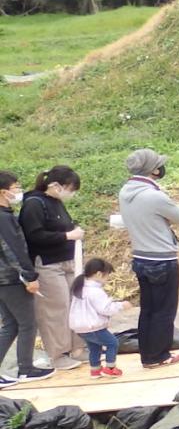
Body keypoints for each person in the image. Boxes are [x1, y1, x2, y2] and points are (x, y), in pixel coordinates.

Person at [119, 149, 179, 369]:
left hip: (140, 257)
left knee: (148, 309)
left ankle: (147, 355)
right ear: (154, 170)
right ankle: (159, 356)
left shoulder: (125, 191)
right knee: (164, 310)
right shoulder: (154, 195)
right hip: (162, 259)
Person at [20, 165, 86, 371]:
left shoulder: (56, 202)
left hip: (67, 261)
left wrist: (73, 231)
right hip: (48, 263)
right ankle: (57, 354)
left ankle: (78, 348)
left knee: (74, 303)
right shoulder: (34, 203)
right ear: (56, 186)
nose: (71, 193)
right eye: (70, 188)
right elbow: (34, 235)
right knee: (55, 309)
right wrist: (66, 236)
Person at [0, 171, 53, 385]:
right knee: (27, 323)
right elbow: (13, 250)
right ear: (3, 192)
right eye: (16, 188)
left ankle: (23, 366)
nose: (18, 192)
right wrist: (29, 276)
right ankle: (26, 368)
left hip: (3, 280)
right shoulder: (3, 218)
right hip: (11, 279)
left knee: (11, 324)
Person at [68, 256, 125, 378]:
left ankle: (95, 370)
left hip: (80, 327)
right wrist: (121, 306)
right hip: (94, 326)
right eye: (107, 275)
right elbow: (105, 309)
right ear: (99, 274)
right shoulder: (95, 291)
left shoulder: (80, 287)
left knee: (94, 347)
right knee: (112, 343)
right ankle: (110, 368)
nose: (107, 279)